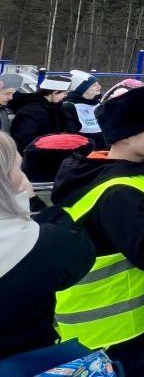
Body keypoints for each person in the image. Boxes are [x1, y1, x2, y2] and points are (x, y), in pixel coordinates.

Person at [52, 85, 144, 377]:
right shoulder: (119, 191)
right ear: (125, 135)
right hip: (113, 330)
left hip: (116, 324)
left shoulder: (119, 172)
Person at [0, 131, 98, 363]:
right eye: (18, 168)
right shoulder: (38, 244)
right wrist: (32, 203)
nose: (25, 176)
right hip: (27, 362)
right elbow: (79, 250)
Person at [9, 77, 70, 152]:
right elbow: (24, 138)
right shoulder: (33, 110)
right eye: (64, 93)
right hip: (35, 154)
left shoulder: (52, 107)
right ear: (55, 93)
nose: (65, 96)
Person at [61, 70, 106, 151]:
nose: (99, 86)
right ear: (82, 88)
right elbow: (70, 132)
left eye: (98, 84)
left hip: (101, 147)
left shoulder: (99, 104)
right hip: (82, 148)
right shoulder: (69, 106)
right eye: (94, 85)